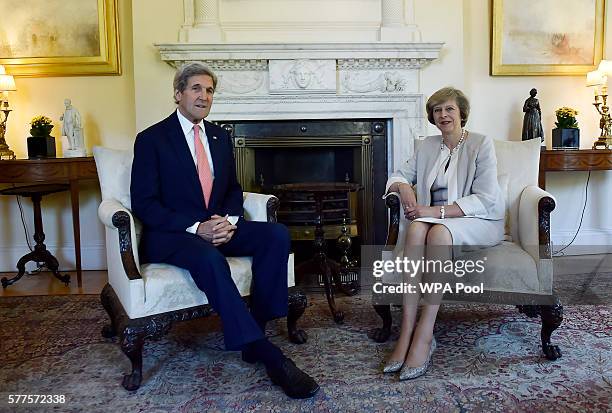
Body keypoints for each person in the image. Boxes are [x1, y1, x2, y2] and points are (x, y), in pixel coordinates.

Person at [130, 62, 319, 399]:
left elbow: (233, 189)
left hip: (217, 227)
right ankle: (268, 354)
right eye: (196, 89)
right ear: (178, 93)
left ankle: (255, 329)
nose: (204, 96)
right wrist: (196, 227)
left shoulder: (219, 137)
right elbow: (144, 204)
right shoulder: (151, 139)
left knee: (276, 235)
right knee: (209, 259)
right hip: (172, 235)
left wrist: (228, 222)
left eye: (210, 90)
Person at [383, 87, 505, 380]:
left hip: (477, 219)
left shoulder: (480, 143)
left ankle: (425, 334)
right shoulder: (427, 145)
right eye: (437, 110)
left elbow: (486, 198)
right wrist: (403, 188)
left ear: (461, 112)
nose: (443, 115)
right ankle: (406, 333)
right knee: (414, 230)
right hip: (430, 218)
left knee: (436, 234)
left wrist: (433, 212)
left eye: (449, 109)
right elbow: (399, 175)